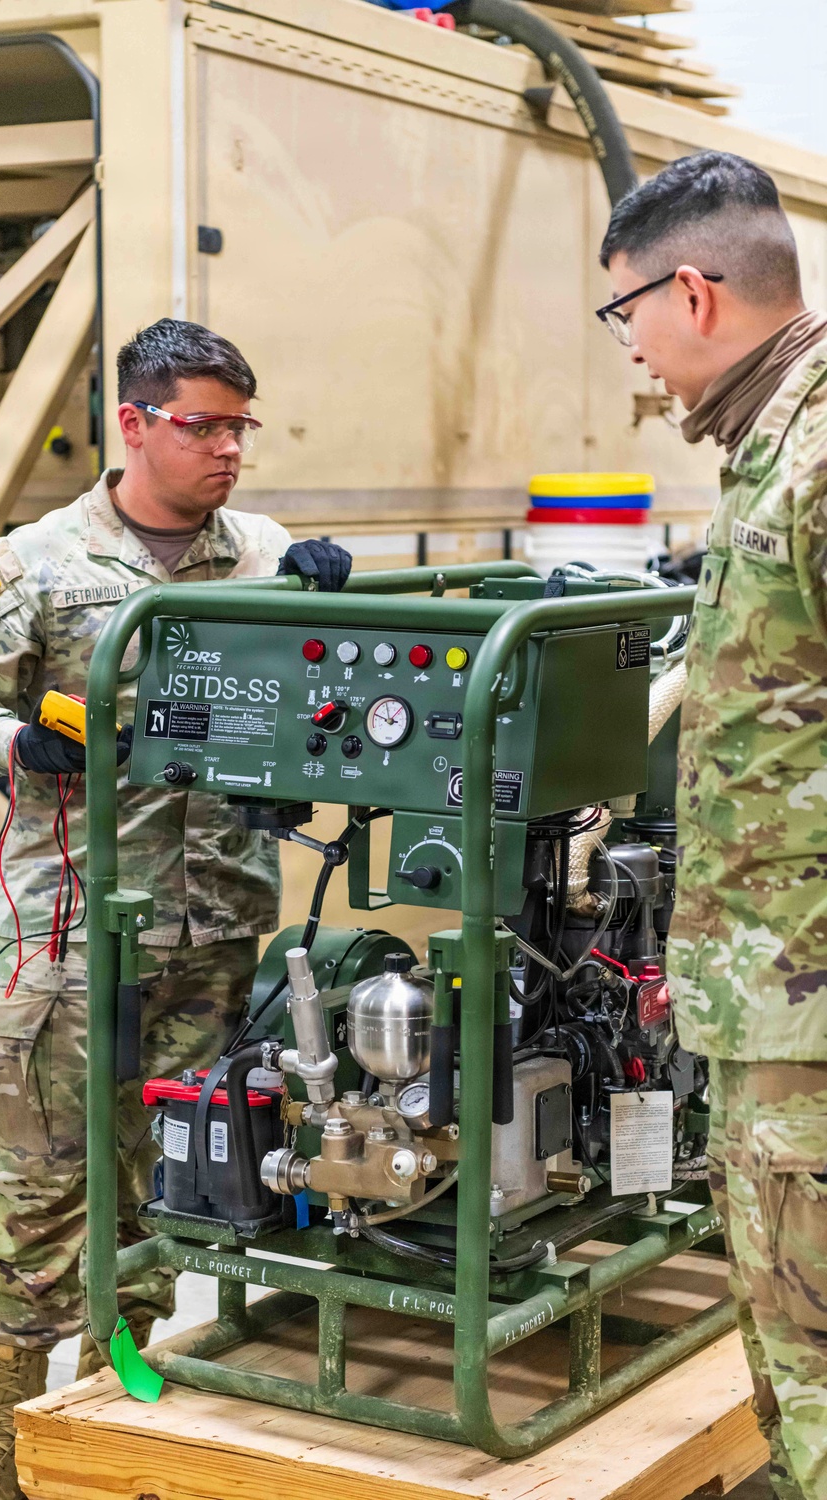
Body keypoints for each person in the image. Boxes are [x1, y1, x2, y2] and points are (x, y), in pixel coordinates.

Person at [0, 317, 351, 1500]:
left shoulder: (261, 552)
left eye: (240, 428)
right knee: (42, 1178)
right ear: (134, 422)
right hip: (67, 930)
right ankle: (5, 1416)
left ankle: (123, 1381)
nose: (228, 452)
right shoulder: (39, 565)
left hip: (212, 931)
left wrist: (335, 610)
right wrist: (13, 740)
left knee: (177, 1171)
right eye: (203, 425)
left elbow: (327, 698)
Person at [598, 151, 827, 1500]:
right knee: (789, 1341)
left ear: (691, 292)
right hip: (772, 1007)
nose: (634, 355)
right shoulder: (770, 446)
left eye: (626, 316)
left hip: (810, 1013)